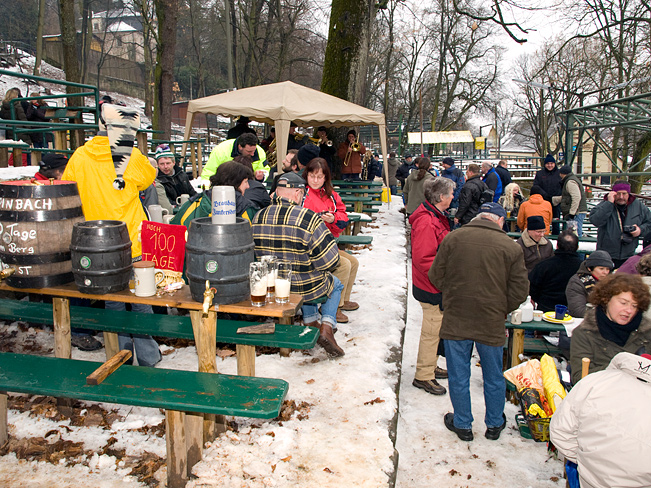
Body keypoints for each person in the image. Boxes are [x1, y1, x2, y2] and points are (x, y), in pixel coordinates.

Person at [62, 103, 161, 367]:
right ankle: (148, 354)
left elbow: (69, 187)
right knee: (141, 296)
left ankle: (119, 353)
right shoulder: (132, 157)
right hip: (132, 240)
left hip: (96, 244)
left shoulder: (80, 156)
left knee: (111, 300)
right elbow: (148, 178)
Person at [429, 202, 529, 441]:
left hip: (457, 318)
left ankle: (463, 424)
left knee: (458, 373)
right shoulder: (510, 247)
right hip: (491, 320)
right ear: (500, 221)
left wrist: (453, 296)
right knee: (493, 375)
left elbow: (435, 276)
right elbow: (520, 290)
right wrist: (501, 308)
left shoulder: (453, 238)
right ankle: (494, 424)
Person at [251, 172, 345, 357]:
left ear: (277, 192)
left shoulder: (258, 216)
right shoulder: (308, 218)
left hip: (272, 287)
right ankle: (327, 326)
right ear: (297, 193)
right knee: (335, 284)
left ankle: (310, 321)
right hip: (306, 287)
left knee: (310, 277)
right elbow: (330, 261)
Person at [550, 352, 651, 488]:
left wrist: (588, 461)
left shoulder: (595, 381)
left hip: (589, 480)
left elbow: (560, 432)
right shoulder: (597, 381)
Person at [409, 178, 455, 396]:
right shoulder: (427, 221)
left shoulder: (434, 216)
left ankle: (430, 364)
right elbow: (424, 259)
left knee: (436, 330)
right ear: (441, 197)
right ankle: (423, 375)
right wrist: (443, 279)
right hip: (431, 286)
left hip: (432, 283)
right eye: (451, 193)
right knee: (431, 331)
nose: (453, 196)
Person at [302, 157, 358, 323]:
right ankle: (335, 307)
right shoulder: (302, 193)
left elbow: (343, 216)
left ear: (326, 177)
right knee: (344, 265)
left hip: (328, 243)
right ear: (307, 175)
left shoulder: (331, 195)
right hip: (311, 247)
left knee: (353, 262)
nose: (316, 180)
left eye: (320, 177)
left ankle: (344, 298)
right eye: (312, 176)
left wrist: (333, 219)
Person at [569, 273, 651, 385]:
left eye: (634, 305)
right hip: (599, 396)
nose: (629, 310)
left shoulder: (647, 332)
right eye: (623, 303)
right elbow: (580, 378)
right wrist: (619, 366)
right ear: (606, 299)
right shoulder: (585, 333)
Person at [589, 179, 651, 268]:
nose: (621, 197)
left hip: (628, 254)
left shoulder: (639, 207)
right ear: (613, 193)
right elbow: (595, 220)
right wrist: (609, 204)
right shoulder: (605, 205)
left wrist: (640, 230)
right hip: (607, 255)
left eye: (624, 194)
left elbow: (649, 223)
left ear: (629, 194)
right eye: (618, 193)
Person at [529, 230, 583, 313]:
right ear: (577, 247)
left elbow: (532, 288)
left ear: (557, 246)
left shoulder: (543, 265)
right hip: (574, 313)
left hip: (545, 310)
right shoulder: (583, 267)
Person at [203, 133, 267, 184]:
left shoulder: (260, 151)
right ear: (240, 147)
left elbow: (265, 169)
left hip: (249, 187)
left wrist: (262, 177)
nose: (253, 154)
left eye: (254, 151)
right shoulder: (221, 150)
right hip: (225, 186)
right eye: (249, 151)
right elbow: (210, 171)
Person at [566, 250, 614, 318]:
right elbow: (577, 311)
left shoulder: (613, 282)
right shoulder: (577, 282)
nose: (605, 272)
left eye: (607, 269)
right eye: (601, 269)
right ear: (589, 268)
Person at [154, 144, 197, 208]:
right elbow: (166, 202)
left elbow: (192, 193)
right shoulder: (157, 180)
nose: (165, 167)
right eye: (162, 164)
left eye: (168, 163)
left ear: (173, 163)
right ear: (158, 165)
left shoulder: (182, 175)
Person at [552, 165, 588, 236]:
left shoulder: (570, 182)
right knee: (573, 233)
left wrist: (572, 212)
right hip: (577, 211)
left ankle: (577, 246)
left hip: (577, 212)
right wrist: (555, 200)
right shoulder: (572, 179)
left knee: (575, 234)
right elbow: (569, 197)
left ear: (562, 173)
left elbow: (576, 197)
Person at [533, 154, 562, 234]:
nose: (550, 165)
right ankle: (543, 234)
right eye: (548, 164)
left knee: (556, 220)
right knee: (542, 219)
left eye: (551, 163)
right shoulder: (540, 174)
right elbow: (536, 186)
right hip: (543, 200)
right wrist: (545, 195)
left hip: (556, 202)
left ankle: (556, 236)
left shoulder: (559, 174)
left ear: (554, 164)